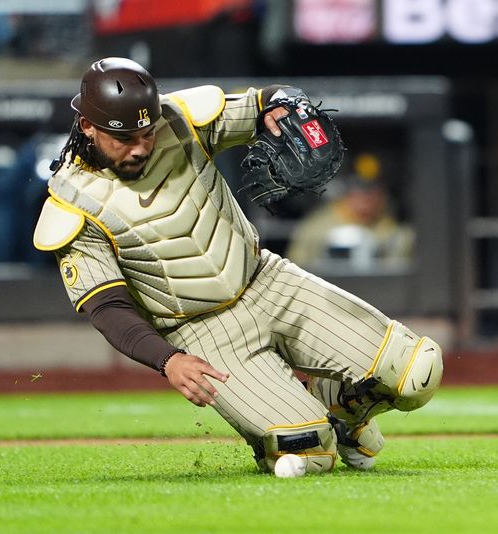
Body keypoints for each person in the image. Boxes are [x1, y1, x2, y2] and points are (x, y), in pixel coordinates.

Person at [33, 58, 443, 474]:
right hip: (202, 330)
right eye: (125, 137)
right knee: (307, 452)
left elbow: (268, 102)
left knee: (417, 371)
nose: (140, 146)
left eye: (146, 132)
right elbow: (107, 308)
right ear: (87, 125)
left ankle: (341, 408)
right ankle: (317, 425)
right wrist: (168, 359)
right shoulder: (71, 204)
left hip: (268, 280)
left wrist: (287, 105)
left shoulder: (179, 120)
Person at [286, 152, 413, 272]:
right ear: (347, 194)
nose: (366, 200)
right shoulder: (314, 228)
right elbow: (296, 269)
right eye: (359, 193)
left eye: (373, 193)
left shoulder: (395, 231)